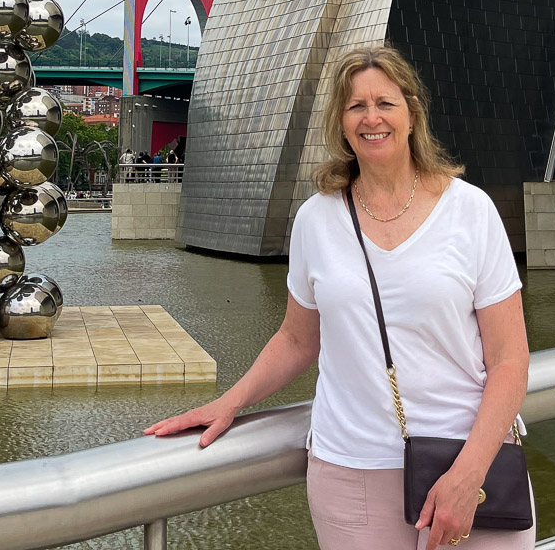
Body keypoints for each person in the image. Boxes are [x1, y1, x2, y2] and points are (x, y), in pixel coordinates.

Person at [146, 45, 532, 550]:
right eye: (356, 107)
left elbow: (509, 357)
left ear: (412, 114)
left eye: (385, 103)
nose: (372, 118)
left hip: (471, 461)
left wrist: (469, 474)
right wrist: (229, 402)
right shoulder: (316, 219)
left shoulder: (470, 210)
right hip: (352, 471)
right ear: (342, 124)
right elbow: (296, 339)